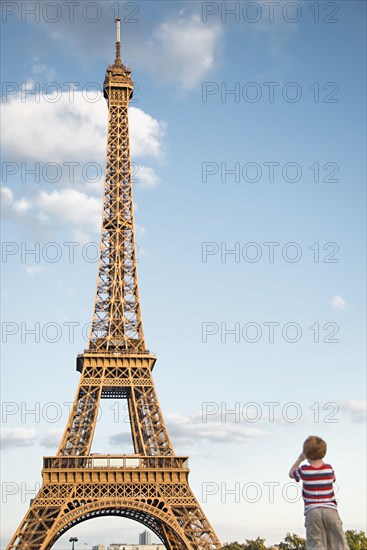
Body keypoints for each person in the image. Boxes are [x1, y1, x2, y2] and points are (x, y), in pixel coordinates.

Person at [289, 435, 349, 550]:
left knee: (316, 544)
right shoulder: (329, 469)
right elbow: (334, 478)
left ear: (306, 453)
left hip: (313, 511)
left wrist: (300, 459)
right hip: (331, 510)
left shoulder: (304, 471)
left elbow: (291, 473)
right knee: (339, 543)